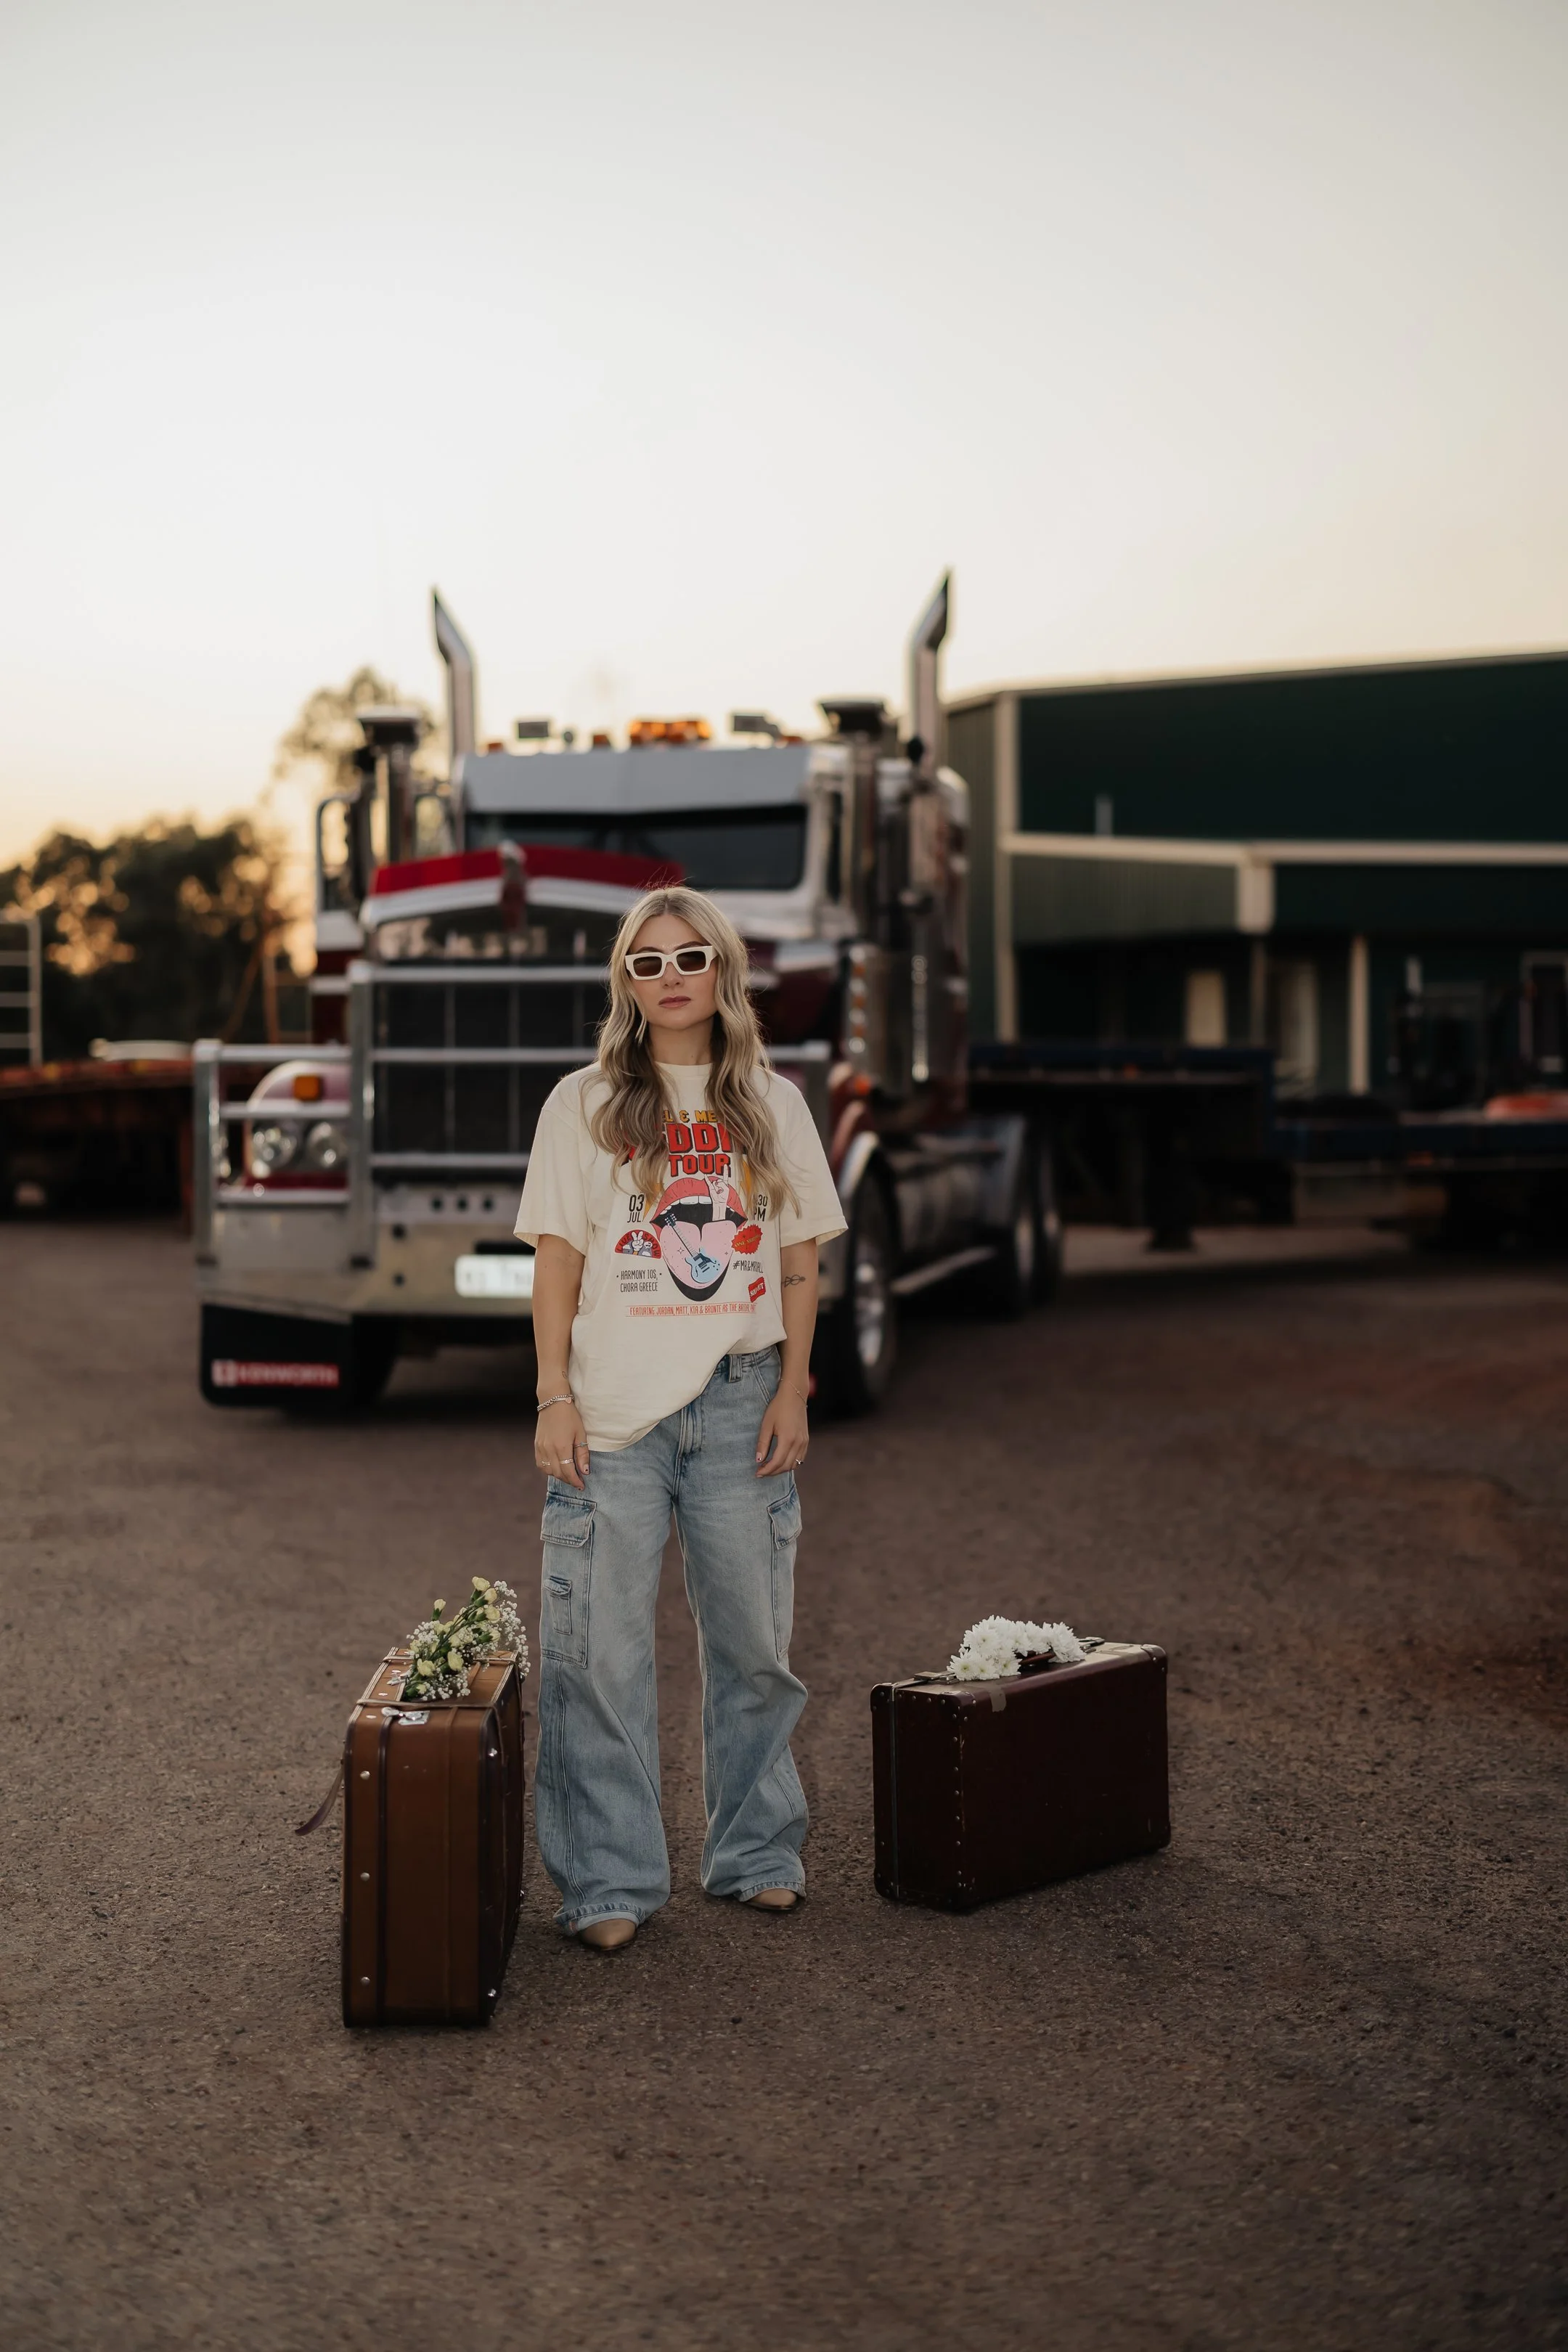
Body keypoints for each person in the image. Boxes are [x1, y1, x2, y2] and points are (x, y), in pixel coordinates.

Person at [515, 884, 846, 1953]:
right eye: (647, 961)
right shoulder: (582, 1103)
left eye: (690, 957)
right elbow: (558, 1259)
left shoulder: (772, 1103)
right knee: (598, 1658)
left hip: (742, 1400)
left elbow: (798, 1260)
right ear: (626, 980)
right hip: (613, 1415)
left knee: (754, 1647)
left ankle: (757, 1855)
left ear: (723, 971)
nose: (670, 978)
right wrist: (553, 1394)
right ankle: (608, 1881)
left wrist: (794, 1386)